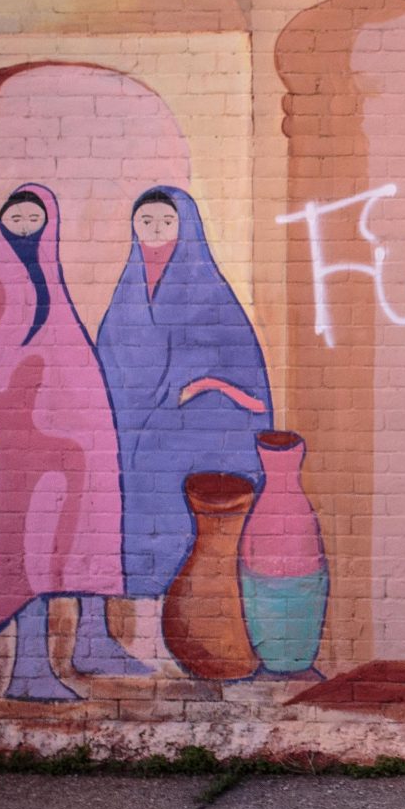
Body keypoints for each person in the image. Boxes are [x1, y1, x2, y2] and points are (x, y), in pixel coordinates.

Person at [0, 185, 146, 700]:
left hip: (78, 438)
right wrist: (30, 379)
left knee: (88, 534)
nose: (26, 226)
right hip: (28, 442)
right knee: (34, 543)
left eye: (35, 218)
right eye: (17, 217)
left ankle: (93, 641)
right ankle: (29, 668)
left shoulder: (49, 278)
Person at [95, 187, 272, 670]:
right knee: (130, 521)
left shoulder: (207, 288)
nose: (154, 231)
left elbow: (240, 367)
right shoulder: (128, 289)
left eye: (165, 221)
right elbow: (109, 357)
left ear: (186, 226)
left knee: (183, 525)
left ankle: (189, 631)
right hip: (133, 434)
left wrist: (200, 387)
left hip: (189, 436)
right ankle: (138, 635)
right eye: (145, 221)